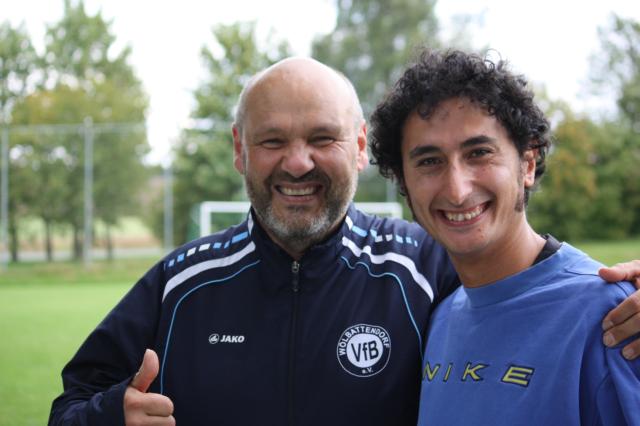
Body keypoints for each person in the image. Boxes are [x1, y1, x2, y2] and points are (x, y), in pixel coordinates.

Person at [49, 57, 640, 426]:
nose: (297, 163)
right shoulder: (181, 284)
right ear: (239, 150)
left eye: (321, 138)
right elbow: (69, 408)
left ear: (359, 148)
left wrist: (621, 294)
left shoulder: (430, 267)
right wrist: (109, 417)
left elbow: (530, 288)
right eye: (272, 141)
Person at [369, 49, 640, 425]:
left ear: (527, 164)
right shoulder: (441, 319)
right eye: (429, 161)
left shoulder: (615, 316)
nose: (458, 190)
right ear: (403, 181)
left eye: (479, 153)